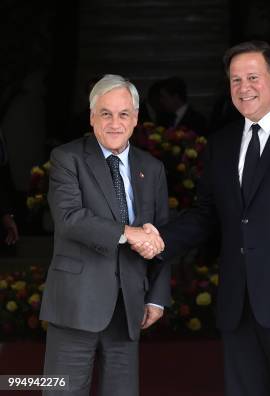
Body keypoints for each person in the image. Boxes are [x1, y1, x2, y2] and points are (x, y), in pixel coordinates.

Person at [155, 41, 270, 396]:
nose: (244, 88)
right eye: (235, 80)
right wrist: (158, 239)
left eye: (253, 77)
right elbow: (206, 215)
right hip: (237, 304)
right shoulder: (222, 143)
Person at [40, 74, 170, 396]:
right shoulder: (67, 158)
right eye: (106, 113)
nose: (115, 123)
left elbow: (162, 235)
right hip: (75, 305)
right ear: (91, 116)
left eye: (123, 114)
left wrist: (157, 296)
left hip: (129, 309)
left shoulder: (151, 168)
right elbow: (70, 218)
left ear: (136, 118)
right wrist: (129, 233)